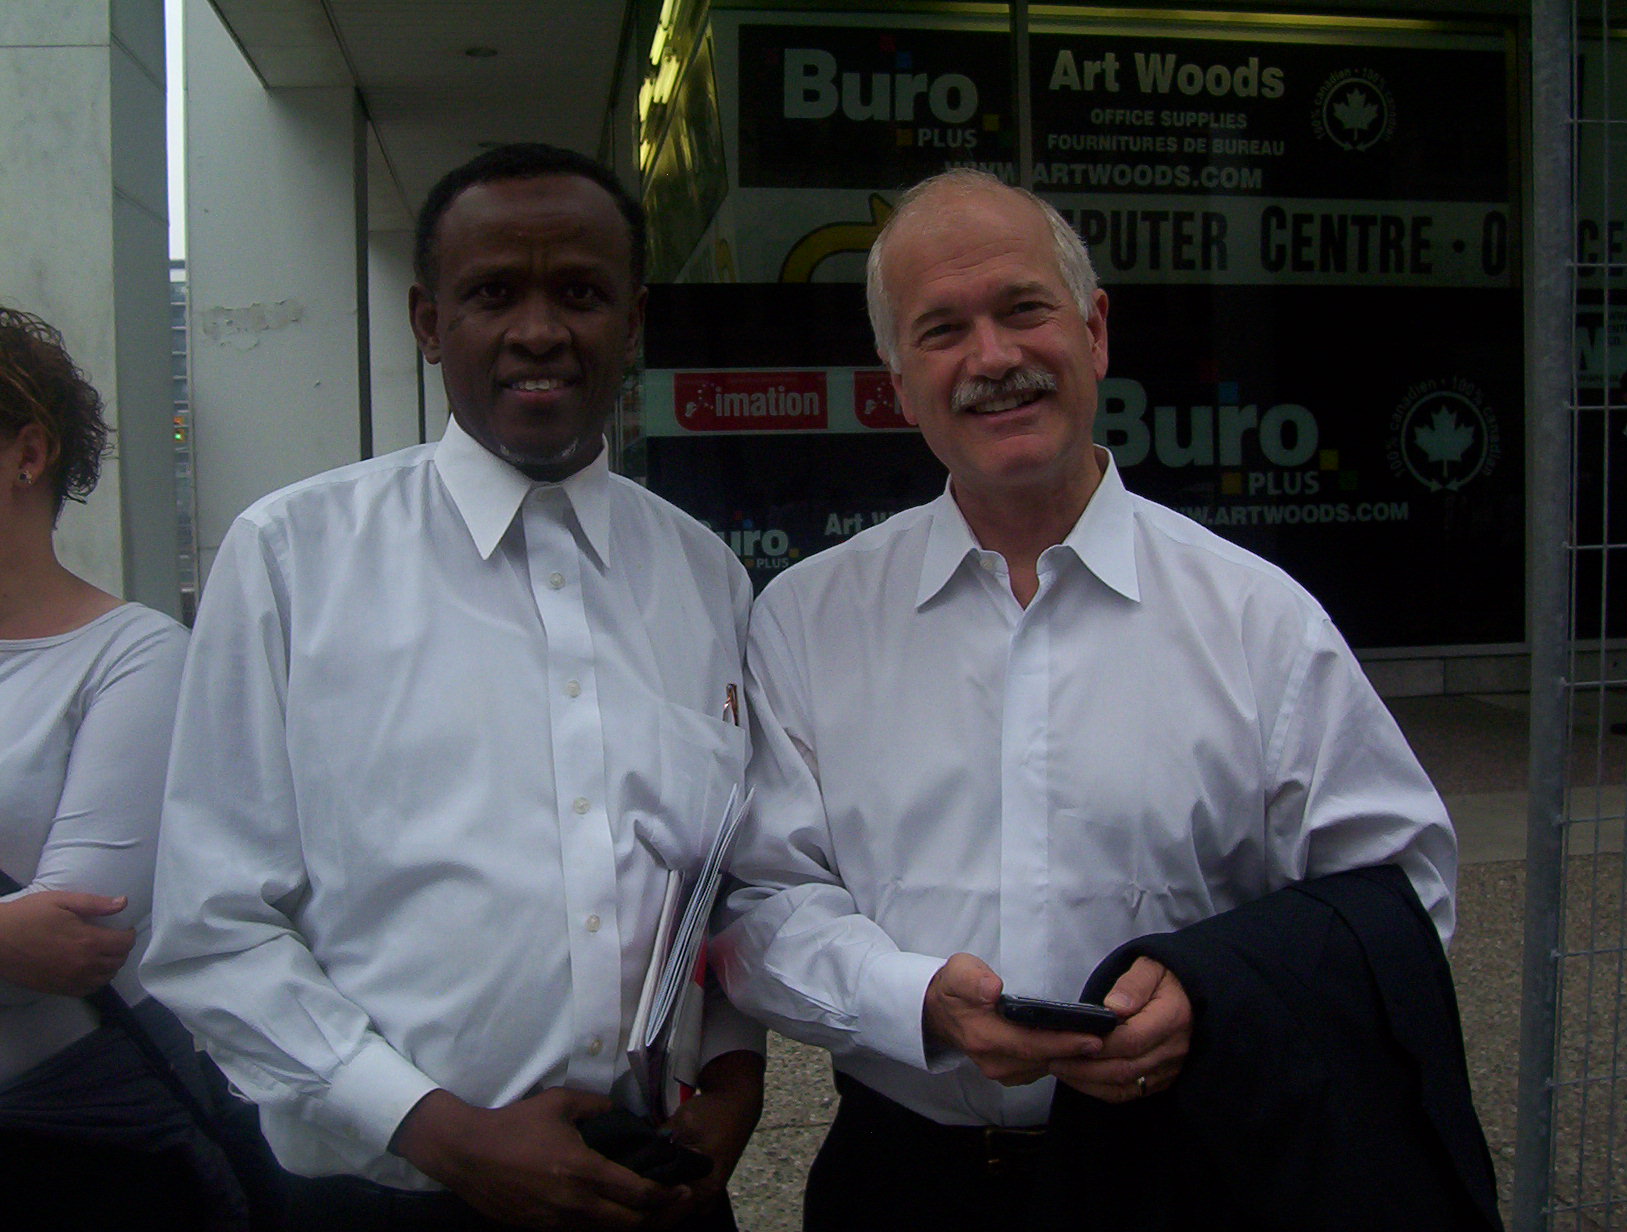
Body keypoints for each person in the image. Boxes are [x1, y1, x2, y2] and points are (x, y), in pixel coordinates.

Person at [713, 169, 1461, 1229]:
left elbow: (1403, 885)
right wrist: (917, 1000)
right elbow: (761, 902)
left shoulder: (1257, 618)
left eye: (1024, 308)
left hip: (1183, 1172)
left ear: (1096, 330)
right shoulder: (805, 619)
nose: (994, 358)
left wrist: (1218, 993)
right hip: (903, 1183)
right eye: (942, 329)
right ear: (894, 381)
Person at [143, 144, 764, 1231]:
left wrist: (737, 1074)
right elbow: (212, 925)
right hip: (389, 1195)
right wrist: (435, 1125)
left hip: (657, 1191)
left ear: (634, 319)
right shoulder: (293, 559)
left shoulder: (707, 574)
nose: (538, 329)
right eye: (492, 293)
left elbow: (728, 877)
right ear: (430, 323)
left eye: (579, 291)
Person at [0, 305, 246, 1225]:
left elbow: (68, 940)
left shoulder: (135, 657)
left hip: (69, 1150)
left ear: (30, 452)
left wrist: (20, 940)